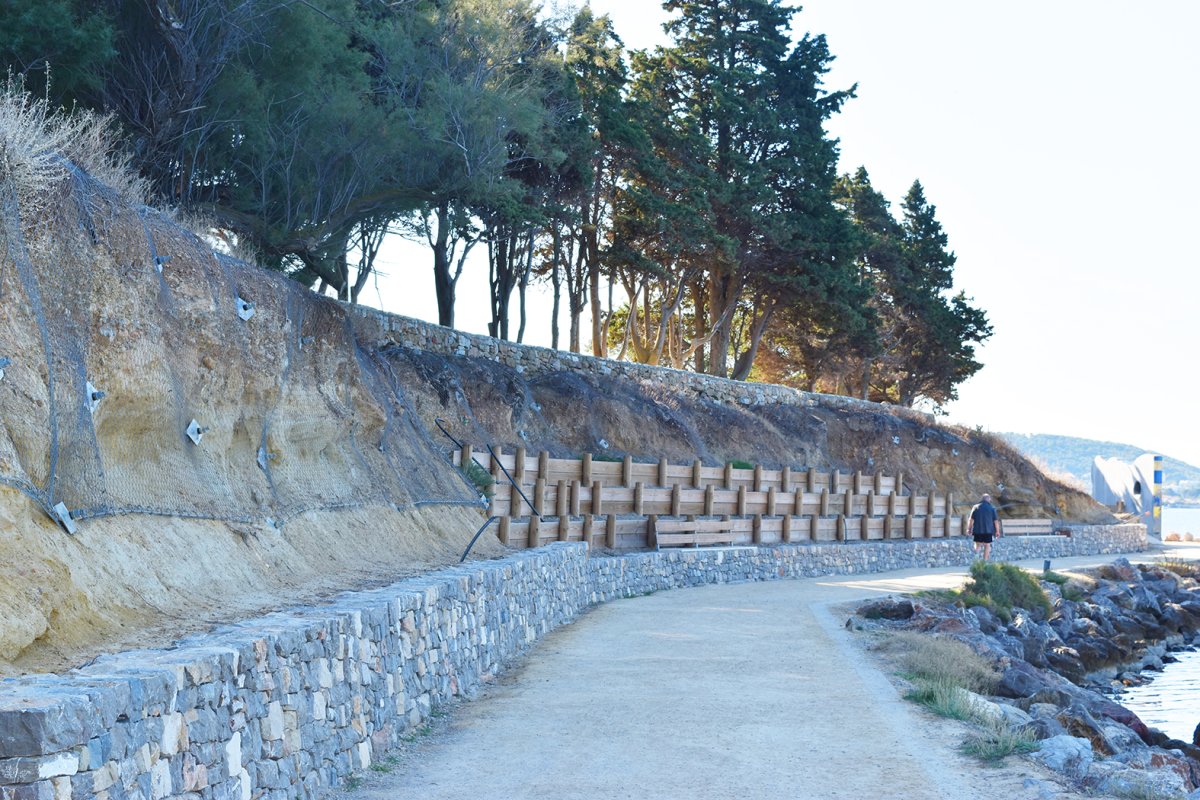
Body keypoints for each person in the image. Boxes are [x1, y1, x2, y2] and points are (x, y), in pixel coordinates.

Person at [967, 493, 1001, 561]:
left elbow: (971, 519)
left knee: (977, 545)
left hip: (978, 530)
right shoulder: (992, 508)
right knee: (987, 545)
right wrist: (997, 531)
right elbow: (996, 521)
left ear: (982, 499)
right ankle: (984, 562)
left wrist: (969, 529)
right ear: (989, 499)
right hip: (988, 531)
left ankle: (976, 560)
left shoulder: (975, 507)